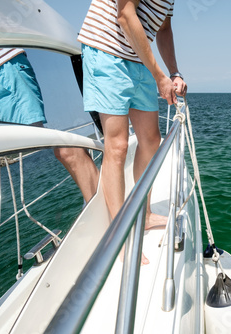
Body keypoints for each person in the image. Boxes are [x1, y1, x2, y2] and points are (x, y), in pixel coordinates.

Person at [78, 0, 187, 264]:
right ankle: (119, 236)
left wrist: (173, 72)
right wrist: (159, 75)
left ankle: (144, 213)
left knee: (151, 140)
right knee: (118, 145)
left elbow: (163, 29)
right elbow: (125, 14)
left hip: (139, 58)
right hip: (107, 50)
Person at [0, 48, 99, 202]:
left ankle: (99, 200)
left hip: (0, 70)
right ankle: (96, 196)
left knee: (40, 137)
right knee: (33, 138)